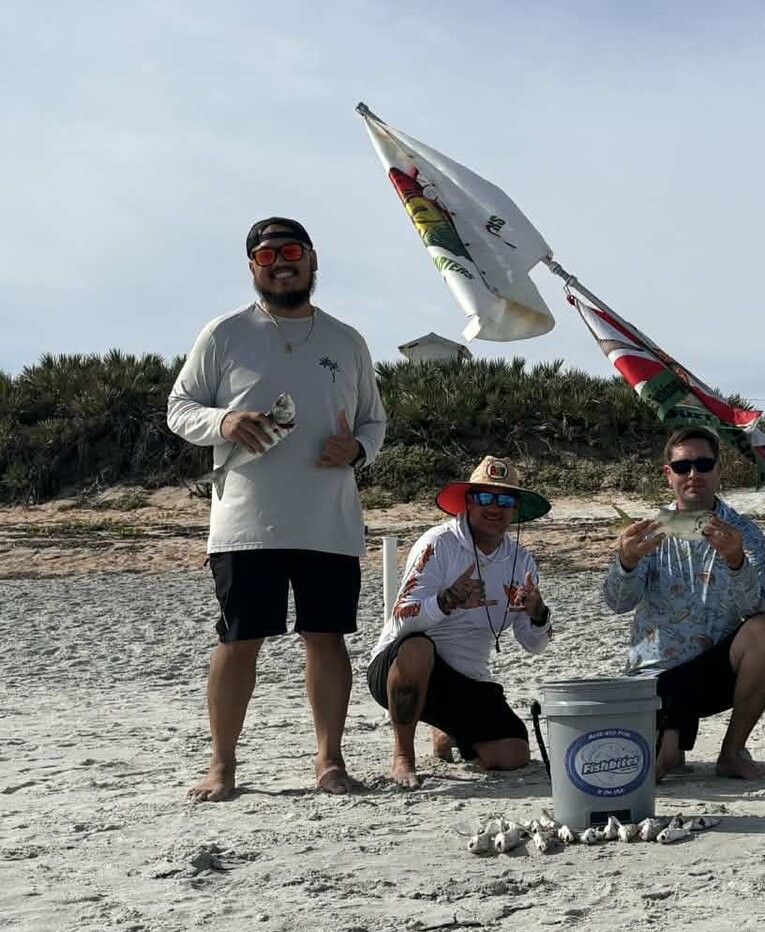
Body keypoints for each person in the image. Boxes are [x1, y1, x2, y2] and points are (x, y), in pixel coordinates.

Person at [167, 217, 387, 801]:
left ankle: (330, 762)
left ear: (313, 260)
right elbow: (179, 407)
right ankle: (221, 766)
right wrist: (223, 421)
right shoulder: (224, 334)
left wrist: (360, 448)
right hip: (245, 521)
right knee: (239, 640)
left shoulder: (347, 340)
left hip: (328, 520)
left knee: (326, 636)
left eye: (291, 251)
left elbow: (374, 419)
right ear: (252, 268)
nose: (280, 262)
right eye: (266, 255)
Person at [602, 426, 765, 781]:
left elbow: (758, 607)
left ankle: (732, 753)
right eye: (683, 466)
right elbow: (617, 603)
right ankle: (669, 740)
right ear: (668, 474)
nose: (694, 474)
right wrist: (625, 562)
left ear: (719, 470)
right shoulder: (650, 530)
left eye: (704, 465)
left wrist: (737, 562)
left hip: (715, 671)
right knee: (650, 769)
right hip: (656, 674)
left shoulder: (743, 532)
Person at [368, 456, 552, 787]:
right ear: (468, 501)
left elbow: (534, 645)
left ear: (516, 508)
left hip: (467, 678)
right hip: (400, 668)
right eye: (484, 497)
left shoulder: (521, 560)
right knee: (418, 649)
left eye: (505, 499)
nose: (494, 507)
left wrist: (538, 613)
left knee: (511, 755)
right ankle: (403, 756)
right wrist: (447, 600)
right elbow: (402, 618)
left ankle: (447, 730)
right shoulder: (439, 544)